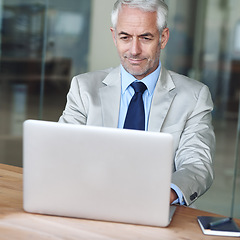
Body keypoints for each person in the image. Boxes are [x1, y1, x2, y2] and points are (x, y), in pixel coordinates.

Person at [59, 0, 215, 206]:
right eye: (125, 37)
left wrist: (164, 195)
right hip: (91, 201)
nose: (134, 50)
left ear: (163, 38)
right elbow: (62, 151)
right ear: (114, 36)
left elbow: (197, 163)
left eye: (145, 37)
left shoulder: (194, 97)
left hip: (156, 206)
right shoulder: (83, 88)